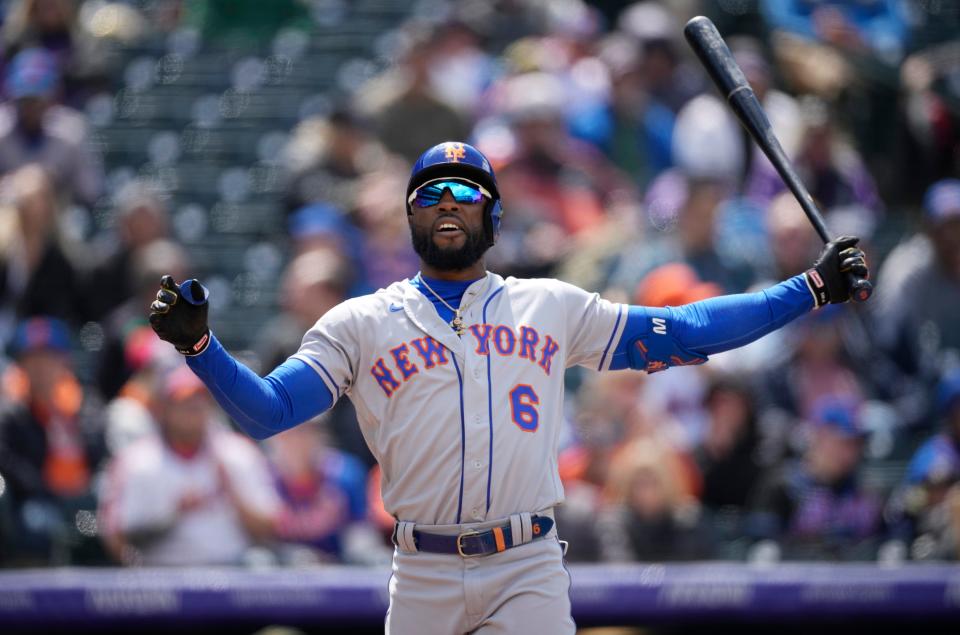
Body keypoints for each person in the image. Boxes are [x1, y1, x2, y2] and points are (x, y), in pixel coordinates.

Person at [148, 141, 869, 633]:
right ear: (411, 218)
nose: (449, 203)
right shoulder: (361, 322)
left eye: (467, 191)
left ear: (492, 213)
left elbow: (685, 328)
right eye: (431, 194)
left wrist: (809, 289)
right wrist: (201, 348)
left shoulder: (550, 305)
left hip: (525, 561)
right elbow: (270, 413)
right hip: (422, 566)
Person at [97, 366, 280, 566]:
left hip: (231, 573)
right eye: (185, 403)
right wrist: (171, 516)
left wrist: (232, 493)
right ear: (165, 409)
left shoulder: (237, 454)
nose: (195, 410)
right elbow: (115, 536)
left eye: (201, 402)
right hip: (162, 575)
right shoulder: (136, 461)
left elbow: (270, 528)